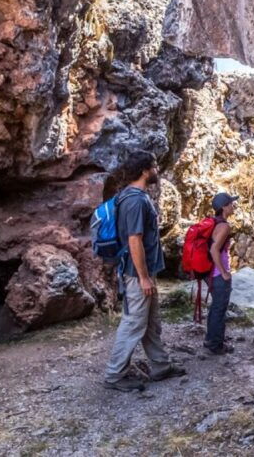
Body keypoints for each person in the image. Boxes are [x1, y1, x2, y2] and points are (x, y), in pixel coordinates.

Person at [103, 150, 185, 392]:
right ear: (144, 171)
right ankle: (115, 374)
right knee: (134, 323)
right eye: (154, 166)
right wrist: (143, 277)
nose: (157, 170)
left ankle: (160, 366)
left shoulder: (130, 197)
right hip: (137, 273)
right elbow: (134, 240)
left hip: (143, 272)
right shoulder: (135, 201)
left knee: (150, 322)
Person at [203, 192, 238, 355]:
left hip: (210, 272)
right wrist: (224, 272)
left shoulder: (214, 222)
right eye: (230, 203)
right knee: (219, 308)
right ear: (224, 207)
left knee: (216, 307)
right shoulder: (224, 226)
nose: (233, 206)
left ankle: (211, 339)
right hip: (218, 273)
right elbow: (214, 249)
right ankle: (216, 345)